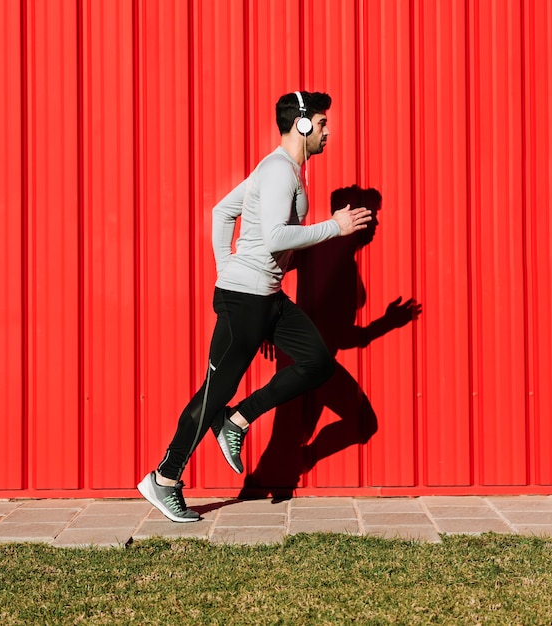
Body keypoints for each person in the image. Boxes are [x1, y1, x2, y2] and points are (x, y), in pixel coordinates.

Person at [137, 91, 373, 522]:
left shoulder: (276, 169)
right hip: (245, 298)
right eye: (321, 123)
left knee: (317, 362)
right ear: (301, 125)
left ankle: (238, 421)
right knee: (214, 393)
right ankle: (164, 478)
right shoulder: (280, 172)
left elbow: (220, 212)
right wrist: (334, 227)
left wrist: (229, 267)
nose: (327, 131)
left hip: (264, 297)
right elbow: (275, 238)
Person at [240, 185, 421, 500]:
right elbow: (267, 265)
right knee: (301, 434)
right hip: (303, 358)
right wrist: (267, 323)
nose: (375, 223)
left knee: (299, 435)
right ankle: (255, 477)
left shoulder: (333, 255)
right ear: (348, 213)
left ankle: (284, 470)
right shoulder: (317, 244)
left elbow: (343, 334)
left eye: (375, 215)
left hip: (315, 359)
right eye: (369, 215)